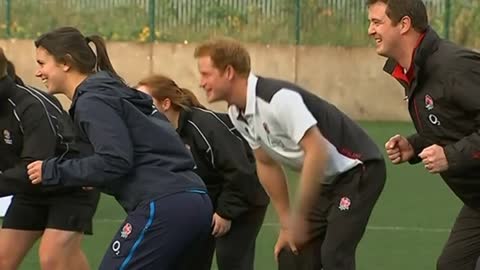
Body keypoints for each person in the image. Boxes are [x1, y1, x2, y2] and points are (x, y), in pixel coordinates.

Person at [25, 26, 212, 270]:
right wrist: (91, 174)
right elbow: (134, 153)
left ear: (66, 63)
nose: (38, 72)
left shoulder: (92, 101)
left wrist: (52, 171)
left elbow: (115, 160)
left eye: (42, 63)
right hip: (196, 200)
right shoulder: (114, 92)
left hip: (163, 205)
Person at [193, 39, 386, 270]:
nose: (201, 83)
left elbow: (316, 150)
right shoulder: (237, 112)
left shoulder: (277, 99)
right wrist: (287, 223)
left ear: (229, 72)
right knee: (291, 255)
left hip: (359, 169)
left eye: (206, 74)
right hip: (327, 179)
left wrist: (300, 215)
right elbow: (266, 163)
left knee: (334, 256)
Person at [367, 0, 480, 269]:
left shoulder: (454, 66)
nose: (370, 30)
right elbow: (450, 123)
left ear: (404, 24)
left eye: (377, 22)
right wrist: (414, 145)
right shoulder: (415, 72)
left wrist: (450, 156)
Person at [136, 74, 270, 270]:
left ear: (165, 103)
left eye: (144, 101)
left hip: (245, 195)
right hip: (208, 201)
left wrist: (226, 213)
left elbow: (241, 171)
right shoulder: (158, 134)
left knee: (231, 259)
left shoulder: (203, 127)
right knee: (189, 257)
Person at [0, 48, 99, 270]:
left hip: (70, 184)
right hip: (31, 191)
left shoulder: (30, 106)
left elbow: (33, 168)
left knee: (53, 258)